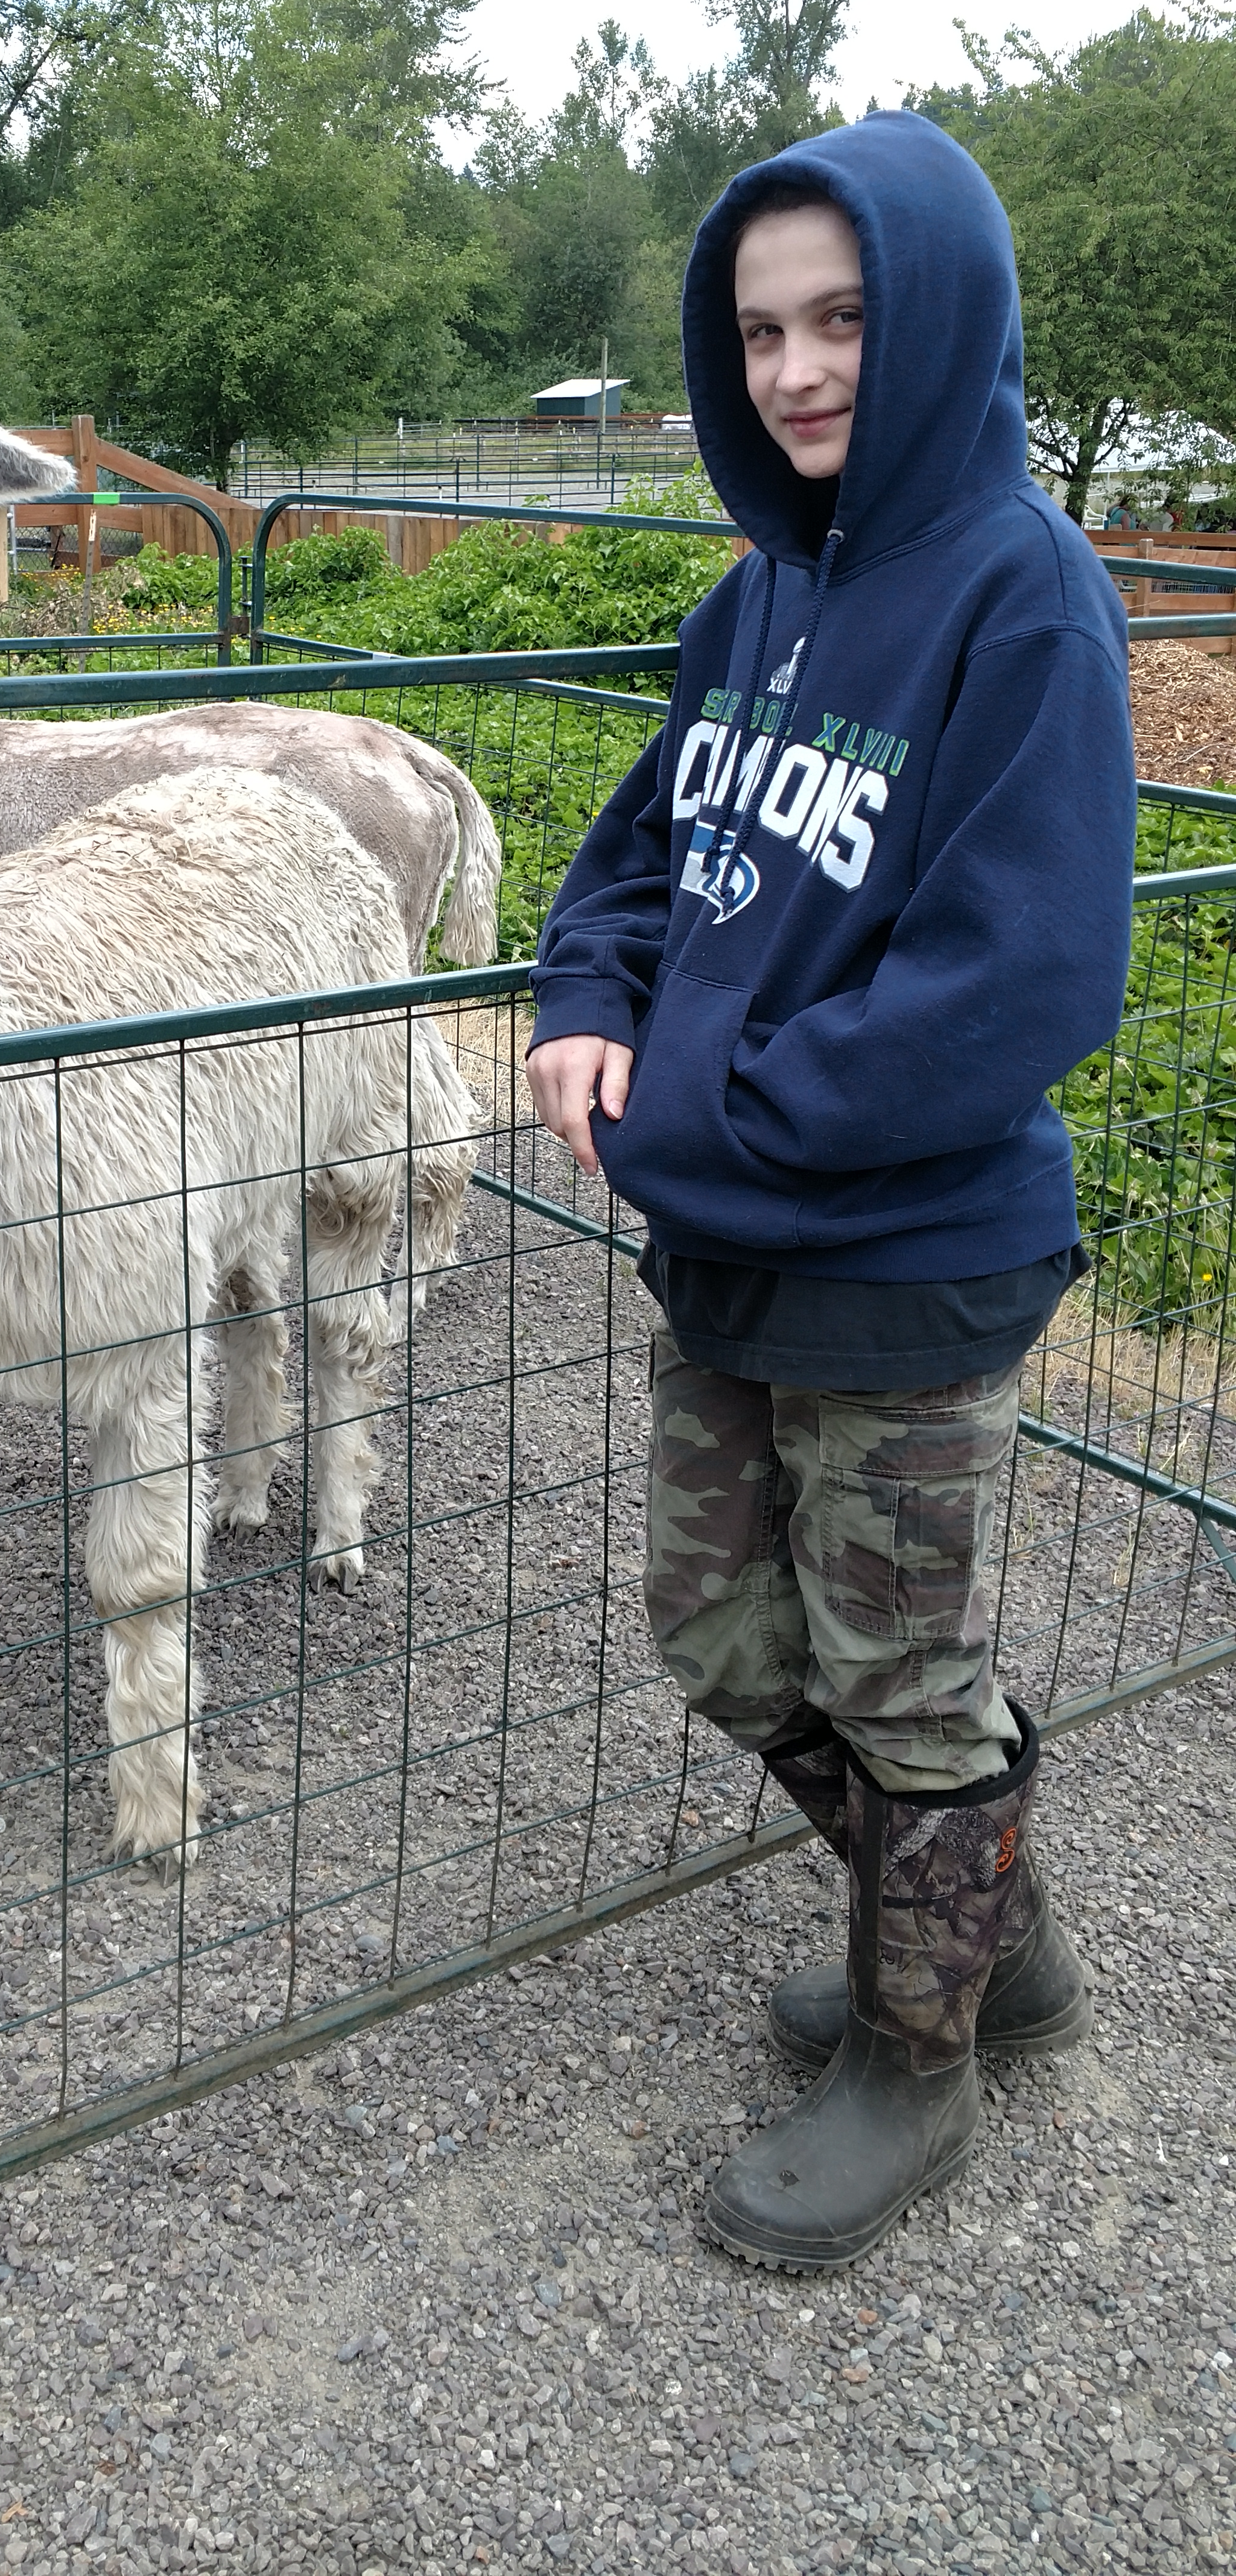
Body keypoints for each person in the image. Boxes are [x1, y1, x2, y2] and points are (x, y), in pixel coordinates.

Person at [525, 112, 1135, 2271]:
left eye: (845, 318)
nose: (795, 370)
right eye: (762, 327)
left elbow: (1024, 975)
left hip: (911, 1257)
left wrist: (704, 1122)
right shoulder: (754, 597)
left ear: (941, 312)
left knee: (899, 1680)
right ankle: (986, 1937)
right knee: (721, 1633)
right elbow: (627, 871)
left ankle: (923, 2058)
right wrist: (592, 998)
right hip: (730, 1248)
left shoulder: (1020, 596)